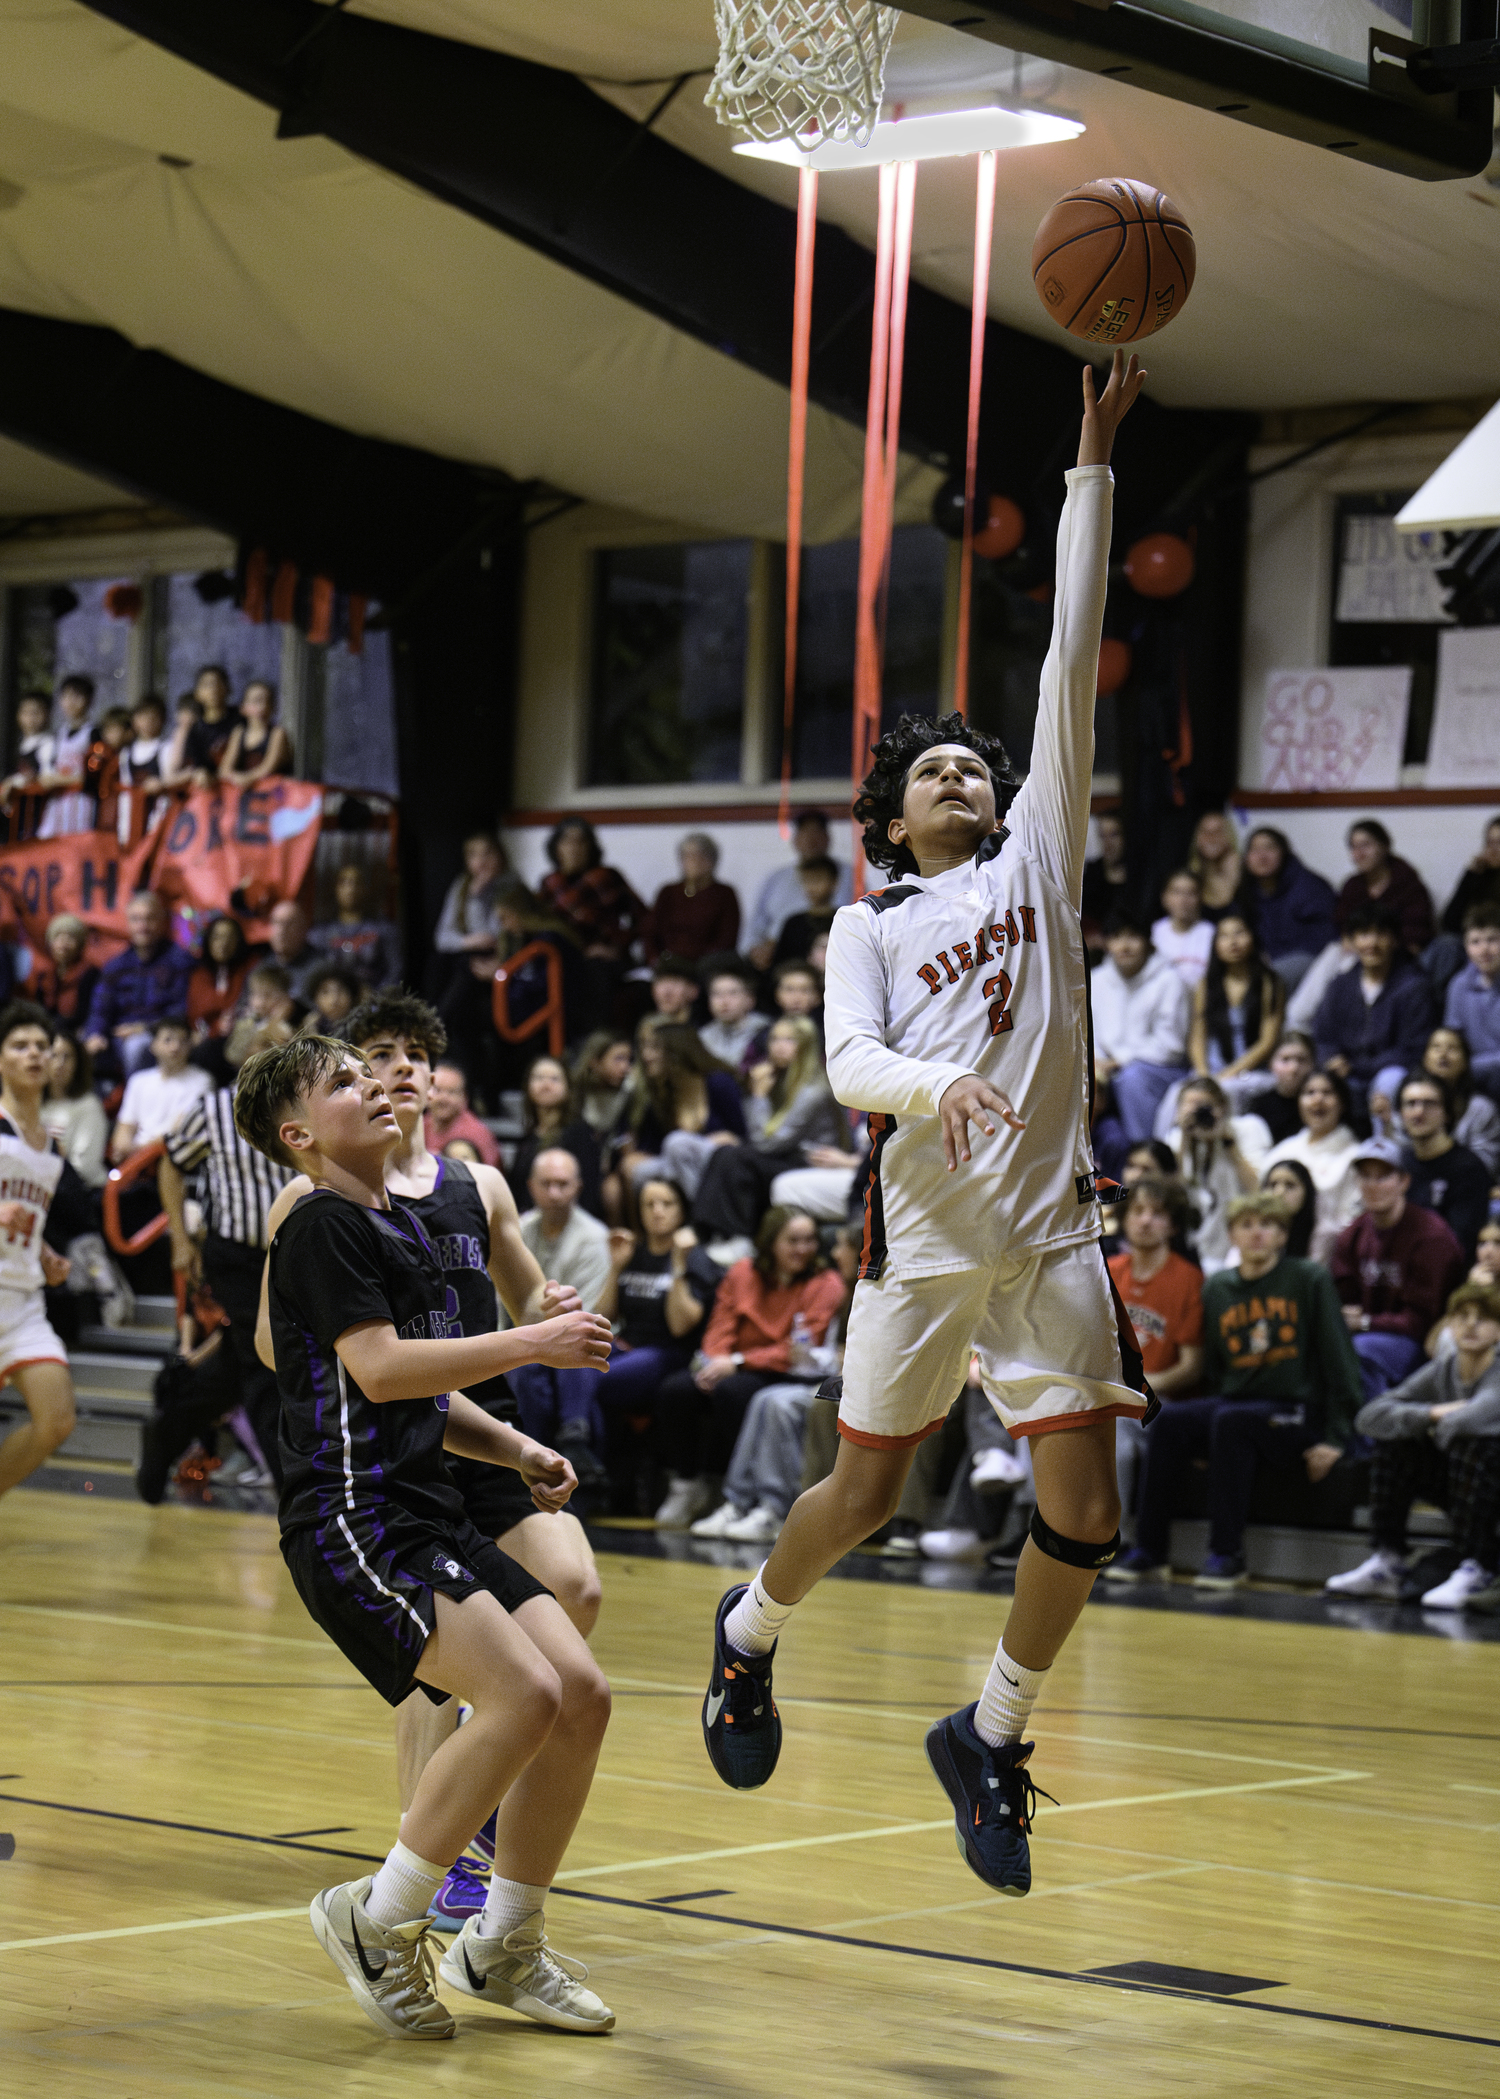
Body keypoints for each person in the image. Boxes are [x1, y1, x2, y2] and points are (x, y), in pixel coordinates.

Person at [696, 354, 1153, 1902]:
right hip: (928, 1226)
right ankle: (748, 1631)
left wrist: (1088, 467)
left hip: (1050, 1226)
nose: (968, 773)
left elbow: (1069, 651)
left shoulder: (1038, 859)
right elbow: (845, 1061)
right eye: (934, 770)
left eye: (978, 763)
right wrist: (930, 1084)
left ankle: (992, 1731)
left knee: (1089, 1510)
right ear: (894, 816)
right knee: (866, 1494)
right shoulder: (867, 923)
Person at [235, 1032, 616, 2036]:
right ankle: (379, 1917)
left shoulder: (391, 1225)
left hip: (424, 1507)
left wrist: (519, 1447)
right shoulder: (318, 1223)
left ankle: (503, 1944)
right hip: (351, 1516)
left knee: (580, 1693)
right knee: (524, 1691)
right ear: (299, 1133)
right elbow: (379, 1368)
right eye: (343, 1082)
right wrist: (537, 1341)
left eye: (370, 1073)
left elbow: (423, 1393)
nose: (370, 1086)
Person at [1108, 1190, 1359, 1588]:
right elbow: (1212, 1370)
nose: (1257, 1234)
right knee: (1170, 1419)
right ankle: (1149, 1551)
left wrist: (1336, 1437)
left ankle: (1227, 1554)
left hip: (1294, 1410)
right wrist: (1200, 1436)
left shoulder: (1308, 1278)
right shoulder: (1218, 1288)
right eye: (1246, 1225)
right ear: (1231, 1235)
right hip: (1236, 1406)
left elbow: (1339, 1359)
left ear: (1282, 1235)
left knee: (1231, 1420)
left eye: (1268, 1226)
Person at [157, 1048, 294, 1494]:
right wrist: (180, 1238)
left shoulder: (305, 1101)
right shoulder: (216, 1107)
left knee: (240, 1365)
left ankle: (167, 1432)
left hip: (291, 1251)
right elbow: (171, 1165)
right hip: (235, 1253)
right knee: (264, 1365)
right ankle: (292, 1487)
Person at [654, 1205, 844, 1528]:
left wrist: (738, 1363)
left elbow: (800, 1349)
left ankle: (741, 1495)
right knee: (677, 1390)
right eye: (793, 1240)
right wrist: (714, 1362)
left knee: (733, 1392)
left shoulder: (825, 1283)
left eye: (810, 1240)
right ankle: (687, 1484)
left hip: (782, 1370)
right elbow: (721, 1323)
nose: (804, 1249)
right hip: (731, 1364)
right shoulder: (743, 1272)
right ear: (770, 1242)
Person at [1328, 1281, 1500, 1610]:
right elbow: (1370, 1417)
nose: (1471, 1325)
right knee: (1394, 1445)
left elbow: (1467, 1421)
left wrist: (1434, 1426)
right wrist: (1431, 1414)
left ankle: (1480, 1566)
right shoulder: (1443, 1369)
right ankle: (1388, 1560)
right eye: (1462, 1316)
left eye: (1483, 1318)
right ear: (1449, 1324)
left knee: (1475, 1446)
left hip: (1489, 1483)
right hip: (1459, 1479)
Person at [0, 1001, 94, 1503]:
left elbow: (26, 1219)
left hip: (22, 1302)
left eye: (43, 1046)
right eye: (20, 1046)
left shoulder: (51, 1146)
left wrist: (44, 1254)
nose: (34, 1054)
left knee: (56, 1421)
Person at [692, 1015, 851, 1248]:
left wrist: (758, 1097)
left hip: (811, 1162)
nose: (779, 1046)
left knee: (738, 1159)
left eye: (790, 1040)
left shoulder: (813, 1090)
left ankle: (737, 1238)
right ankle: (710, 1233)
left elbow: (765, 1143)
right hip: (786, 1155)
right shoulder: (777, 1079)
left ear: (806, 1046)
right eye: (775, 1038)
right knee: (724, 1153)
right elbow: (758, 1132)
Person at [1330, 1136, 1466, 1399]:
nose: (1373, 1186)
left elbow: (1422, 1320)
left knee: (1360, 1353)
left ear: (1404, 1181)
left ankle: (1376, 1437)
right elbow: (1343, 1297)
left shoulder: (1431, 1236)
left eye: (1382, 1177)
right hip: (1369, 1332)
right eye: (1365, 1177)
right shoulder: (1352, 1234)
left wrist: (1367, 1322)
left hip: (1421, 1342)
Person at [506, 1149, 613, 1476]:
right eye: (547, 1184)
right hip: (528, 1335)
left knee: (567, 1354)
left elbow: (588, 1315)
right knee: (527, 1367)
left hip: (581, 1337)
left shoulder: (594, 1237)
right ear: (531, 1186)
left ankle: (547, 1452)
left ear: (578, 1187)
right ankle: (565, 1445)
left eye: (563, 1184)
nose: (554, 1193)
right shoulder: (519, 1230)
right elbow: (504, 1303)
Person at [1107, 1177, 1204, 1534]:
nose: (1145, 1221)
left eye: (1157, 1213)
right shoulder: (1108, 1271)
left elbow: (1192, 1368)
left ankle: (1108, 1538)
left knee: (1111, 1433)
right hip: (1110, 1393)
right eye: (1137, 1211)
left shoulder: (1190, 1279)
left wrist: (1134, 1389)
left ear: (1174, 1225)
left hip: (1158, 1404)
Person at [593, 1176, 719, 1445]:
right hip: (627, 1344)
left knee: (592, 1382)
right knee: (567, 1367)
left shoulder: (694, 1258)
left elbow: (680, 1326)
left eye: (666, 1203)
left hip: (668, 1352)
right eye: (649, 1204)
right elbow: (604, 1318)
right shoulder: (632, 1252)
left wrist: (677, 1265)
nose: (657, 1211)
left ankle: (585, 1455)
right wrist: (615, 1267)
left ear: (682, 1210)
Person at [1090, 912, 1192, 1154]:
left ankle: (1145, 1153)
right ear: (1107, 943)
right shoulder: (1096, 980)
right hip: (1108, 1066)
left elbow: (1171, 1045)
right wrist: (1097, 1060)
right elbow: (1089, 1034)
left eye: (1133, 937)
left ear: (1148, 942)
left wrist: (1120, 1061)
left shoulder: (1169, 980)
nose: (1124, 946)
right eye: (1116, 938)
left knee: (1132, 1077)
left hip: (1160, 1069)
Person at [1314, 904, 1434, 1106]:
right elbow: (1323, 1035)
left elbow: (1412, 1048)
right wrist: (1332, 1058)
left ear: (1395, 940)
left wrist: (1356, 1067)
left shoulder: (1414, 986)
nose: (1372, 943)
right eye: (1363, 934)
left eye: (1381, 934)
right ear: (1351, 942)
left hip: (1389, 1073)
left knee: (1390, 1079)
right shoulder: (1340, 985)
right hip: (1344, 1071)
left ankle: (1383, 1137)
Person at [620, 1022, 745, 1203]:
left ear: (676, 1052)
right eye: (645, 1048)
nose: (646, 1056)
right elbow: (655, 1147)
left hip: (721, 1160)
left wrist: (722, 1139)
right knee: (638, 1170)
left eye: (655, 1048)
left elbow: (741, 1137)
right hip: (679, 1165)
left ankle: (701, 1217)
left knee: (676, 1142)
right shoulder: (661, 1093)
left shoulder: (718, 1083)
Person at [84, 890, 193, 1077]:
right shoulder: (115, 966)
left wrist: (144, 1028)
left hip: (159, 1034)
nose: (143, 926)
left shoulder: (179, 961)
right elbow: (100, 1009)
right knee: (79, 1047)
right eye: (136, 919)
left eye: (149, 919)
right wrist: (95, 1034)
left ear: (161, 922)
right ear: (128, 924)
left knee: (136, 1046)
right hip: (117, 1035)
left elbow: (180, 1010)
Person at [1166, 1075, 1268, 1271]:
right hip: (1194, 1247)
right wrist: (1186, 1141)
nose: (1199, 1112)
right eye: (1192, 1105)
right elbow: (1171, 1197)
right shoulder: (1176, 1140)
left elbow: (1260, 1191)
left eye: (1206, 1106)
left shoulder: (1247, 1129)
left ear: (1223, 1108)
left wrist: (1228, 1143)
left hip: (1238, 1244)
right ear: (1179, 1111)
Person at [1262, 1069, 1362, 1260]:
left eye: (1327, 1093)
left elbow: (1353, 1221)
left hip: (1331, 1257)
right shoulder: (1281, 1151)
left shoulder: (1355, 1156)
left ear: (1342, 1103)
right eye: (1309, 1093)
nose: (1318, 1100)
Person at [1393, 1072, 1490, 1262]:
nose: (1419, 1112)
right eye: (1410, 1104)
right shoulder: (1398, 1163)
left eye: (1429, 1103)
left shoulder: (1468, 1169)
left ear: (1446, 1113)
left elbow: (1460, 1244)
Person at [1188, 910, 1284, 1097]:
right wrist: (1203, 1075)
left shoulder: (1269, 982)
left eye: (1239, 933)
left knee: (1226, 1093)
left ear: (1253, 937)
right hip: (1211, 1071)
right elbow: (1197, 1037)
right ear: (1215, 944)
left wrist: (1226, 1076)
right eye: (1224, 936)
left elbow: (1267, 1042)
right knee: (1177, 1095)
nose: (1233, 942)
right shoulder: (1206, 984)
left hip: (1250, 1072)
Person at [747, 810, 854, 969]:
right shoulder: (777, 878)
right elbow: (756, 924)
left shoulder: (849, 875)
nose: (811, 839)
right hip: (781, 954)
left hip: (835, 955)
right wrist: (756, 949)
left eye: (817, 832)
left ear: (828, 838)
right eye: (805, 833)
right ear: (795, 839)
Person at [1237, 826, 1337, 993]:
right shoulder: (1247, 890)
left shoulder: (1309, 886)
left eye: (1269, 848)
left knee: (1262, 985)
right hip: (1267, 960)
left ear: (1283, 853)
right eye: (1255, 850)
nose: (1262, 856)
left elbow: (1325, 936)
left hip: (1310, 957)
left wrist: (1272, 958)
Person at [536, 818, 642, 973]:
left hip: (605, 959)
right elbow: (539, 924)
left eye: (581, 841)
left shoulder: (607, 877)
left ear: (591, 847)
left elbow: (643, 918)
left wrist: (618, 946)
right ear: (556, 848)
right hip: (563, 959)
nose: (574, 848)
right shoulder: (550, 883)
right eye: (567, 841)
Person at [506, 1054, 603, 1220]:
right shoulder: (528, 1138)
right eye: (538, 1078)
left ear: (568, 1089)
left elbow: (589, 1194)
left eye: (554, 1079)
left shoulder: (579, 1133)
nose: (546, 1084)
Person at [110, 1016, 213, 1160]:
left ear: (190, 1045)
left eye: (183, 1041)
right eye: (168, 1040)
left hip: (172, 1158)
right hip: (136, 1157)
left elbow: (178, 1133)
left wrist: (136, 1152)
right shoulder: (138, 1081)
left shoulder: (201, 1081)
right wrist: (124, 1149)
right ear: (153, 1045)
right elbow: (124, 1129)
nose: (175, 1047)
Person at [1335, 819, 1434, 957]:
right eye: (1353, 847)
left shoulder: (1407, 882)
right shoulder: (1352, 886)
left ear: (1384, 846)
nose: (1359, 854)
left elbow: (1416, 936)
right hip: (1358, 953)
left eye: (1365, 845)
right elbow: (1343, 928)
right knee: (1333, 952)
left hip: (1400, 955)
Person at [642, 833, 740, 964]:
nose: (693, 862)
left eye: (699, 856)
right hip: (669, 961)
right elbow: (651, 931)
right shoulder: (668, 892)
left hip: (706, 963)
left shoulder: (724, 893)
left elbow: (727, 939)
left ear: (711, 861)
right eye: (687, 857)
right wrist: (655, 958)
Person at [1416, 1025, 1500, 1177]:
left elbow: (1486, 1164)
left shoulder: (1480, 1108)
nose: (1443, 1054)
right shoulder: (1412, 1100)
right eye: (1436, 1047)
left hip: (1467, 1188)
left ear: (1465, 1061)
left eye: (1452, 1048)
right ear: (1425, 1058)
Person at [308, 864, 403, 989]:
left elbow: (396, 971)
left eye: (356, 883)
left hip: (374, 999)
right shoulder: (319, 934)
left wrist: (376, 999)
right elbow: (313, 976)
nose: (350, 889)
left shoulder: (384, 929)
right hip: (332, 1001)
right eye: (344, 882)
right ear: (335, 888)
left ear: (365, 888)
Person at [1441, 902, 1500, 1102]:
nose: (1484, 950)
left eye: (1492, 940)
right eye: (1475, 942)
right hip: (1471, 1077)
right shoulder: (1458, 984)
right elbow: (1453, 1036)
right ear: (1466, 947)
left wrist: (1469, 1067)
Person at [433, 830, 508, 987]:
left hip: (500, 957)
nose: (481, 861)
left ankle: (440, 1012)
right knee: (441, 963)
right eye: (473, 855)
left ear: (500, 855)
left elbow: (491, 937)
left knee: (466, 967)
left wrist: (476, 899)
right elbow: (441, 938)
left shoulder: (510, 885)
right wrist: (466, 942)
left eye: (487, 853)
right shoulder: (462, 885)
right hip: (469, 957)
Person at [41, 1031, 108, 1190]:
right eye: (53, 1055)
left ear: (78, 1063)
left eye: (67, 1057)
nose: (60, 1063)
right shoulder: (31, 1103)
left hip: (83, 1192)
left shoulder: (88, 1105)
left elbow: (85, 1167)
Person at [36, 673, 96, 838]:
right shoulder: (57, 735)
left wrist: (61, 779)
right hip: (57, 803)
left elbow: (93, 774)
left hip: (82, 803)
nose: (70, 702)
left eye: (77, 696)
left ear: (89, 700)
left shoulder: (94, 734)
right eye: (66, 696)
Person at [164, 663, 239, 787]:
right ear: (197, 693)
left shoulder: (241, 720)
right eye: (207, 685)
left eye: (217, 683)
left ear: (228, 688)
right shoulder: (195, 730)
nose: (213, 689)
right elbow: (195, 767)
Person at [187, 914, 253, 1049]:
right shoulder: (199, 975)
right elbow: (196, 1018)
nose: (224, 943)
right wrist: (216, 1028)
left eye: (230, 938)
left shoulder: (249, 968)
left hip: (241, 1038)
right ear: (208, 941)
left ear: (239, 941)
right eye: (217, 937)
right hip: (208, 1041)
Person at [28, 913, 99, 1034]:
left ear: (80, 944)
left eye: (70, 938)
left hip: (77, 1030)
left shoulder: (90, 973)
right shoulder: (46, 974)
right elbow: (40, 1010)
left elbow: (86, 1014)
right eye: (58, 937)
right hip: (49, 1029)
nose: (63, 944)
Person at [425, 1060, 500, 1167]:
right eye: (437, 1090)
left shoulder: (478, 1135)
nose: (443, 1099)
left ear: (465, 1098)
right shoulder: (417, 1125)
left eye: (452, 1092)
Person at [698, 962, 769, 1075]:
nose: (724, 1001)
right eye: (717, 994)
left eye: (733, 993)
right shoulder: (704, 1035)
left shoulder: (765, 1032)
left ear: (750, 1000)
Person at [771, 855, 841, 968]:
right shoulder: (794, 923)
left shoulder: (843, 920)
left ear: (834, 883)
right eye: (806, 880)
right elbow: (781, 964)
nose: (811, 887)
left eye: (817, 879)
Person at [217, 678, 292, 785]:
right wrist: (234, 777)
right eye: (256, 701)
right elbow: (224, 770)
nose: (262, 706)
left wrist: (247, 778)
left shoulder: (277, 733)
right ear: (243, 708)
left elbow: (267, 768)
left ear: (273, 707)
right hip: (246, 790)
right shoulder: (239, 732)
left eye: (267, 701)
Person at [1079, 809, 1134, 950]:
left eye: (1114, 835)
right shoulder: (1083, 882)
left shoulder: (1140, 880)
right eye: (1101, 836)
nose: (1108, 843)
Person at [1149, 869, 1213, 989]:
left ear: (1201, 897)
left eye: (1190, 893)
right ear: (1164, 897)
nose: (1183, 900)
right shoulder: (1154, 933)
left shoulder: (1212, 934)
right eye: (1176, 892)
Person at [1252, 1031, 1317, 1147]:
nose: (1294, 1068)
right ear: (1271, 1064)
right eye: (1285, 1059)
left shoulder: (1318, 1104)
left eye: (1301, 1060)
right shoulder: (1258, 1105)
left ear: (1312, 1064)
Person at [571, 1032, 634, 1145]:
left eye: (628, 1060)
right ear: (595, 1062)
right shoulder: (573, 1090)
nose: (626, 1068)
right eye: (619, 1059)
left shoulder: (630, 1090)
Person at [263, 898, 322, 1004]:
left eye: (289, 924)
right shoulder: (262, 968)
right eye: (276, 923)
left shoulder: (321, 969)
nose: (282, 931)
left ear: (303, 929)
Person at [1187, 810, 1242, 922]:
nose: (1211, 838)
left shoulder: (1247, 874)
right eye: (1205, 832)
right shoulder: (1189, 878)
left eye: (1218, 831)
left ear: (1229, 836)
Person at [83, 704, 132, 831]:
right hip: (103, 804)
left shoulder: (131, 754)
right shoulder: (100, 751)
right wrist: (96, 757)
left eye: (114, 730)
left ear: (128, 732)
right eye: (107, 730)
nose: (109, 735)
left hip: (125, 804)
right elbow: (91, 771)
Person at [1260, 1158, 1317, 1260]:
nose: (1279, 1193)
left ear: (1307, 1192)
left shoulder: (1321, 1233)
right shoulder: (1253, 1228)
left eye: (1290, 1185)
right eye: (1273, 1185)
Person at [301, 962, 363, 1038]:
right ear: (315, 999)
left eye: (340, 990)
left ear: (351, 994)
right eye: (325, 992)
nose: (334, 1000)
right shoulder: (315, 1029)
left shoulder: (364, 1022)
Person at [648, 955, 702, 1026]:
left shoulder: (706, 1033)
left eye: (675, 982)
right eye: (661, 982)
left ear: (694, 990)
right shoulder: (646, 1030)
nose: (666, 992)